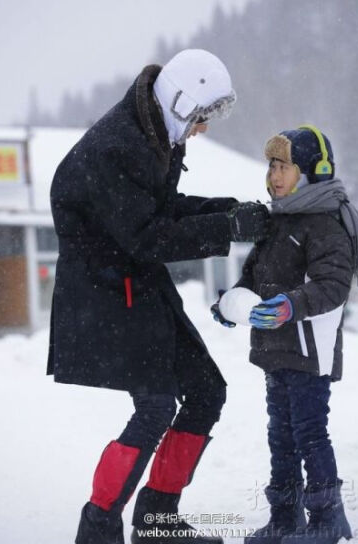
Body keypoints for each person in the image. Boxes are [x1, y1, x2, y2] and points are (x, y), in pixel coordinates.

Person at [47, 48, 269, 544]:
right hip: (106, 294)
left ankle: (156, 521)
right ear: (182, 101)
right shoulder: (117, 147)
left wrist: (232, 211)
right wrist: (227, 227)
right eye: (202, 118)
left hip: (139, 284)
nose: (203, 130)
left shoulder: (156, 132)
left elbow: (164, 209)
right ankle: (98, 528)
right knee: (155, 406)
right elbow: (148, 236)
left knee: (207, 390)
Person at [211, 125, 358, 544]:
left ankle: (327, 518)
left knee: (309, 432)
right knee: (280, 435)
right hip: (275, 350)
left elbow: (332, 285)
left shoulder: (324, 223)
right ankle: (285, 518)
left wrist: (290, 305)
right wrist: (231, 302)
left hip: (308, 350)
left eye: (284, 166)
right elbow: (253, 276)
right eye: (271, 165)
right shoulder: (275, 222)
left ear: (313, 172)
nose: (274, 175)